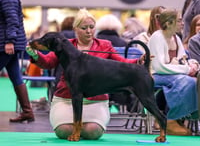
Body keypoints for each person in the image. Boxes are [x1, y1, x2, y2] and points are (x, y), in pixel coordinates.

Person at [26, 8, 144, 140]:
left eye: (91, 27)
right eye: (84, 28)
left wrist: (138, 61)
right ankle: (75, 128)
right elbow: (48, 62)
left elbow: (122, 63)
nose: (89, 31)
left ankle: (80, 128)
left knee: (92, 132)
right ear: (75, 29)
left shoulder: (105, 45)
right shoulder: (65, 45)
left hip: (96, 99)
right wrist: (34, 54)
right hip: (66, 98)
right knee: (64, 131)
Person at [149, 9, 199, 136]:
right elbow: (159, 67)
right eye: (179, 20)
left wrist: (192, 64)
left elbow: (182, 60)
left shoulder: (176, 38)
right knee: (186, 81)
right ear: (169, 23)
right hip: (155, 75)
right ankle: (171, 119)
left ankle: (181, 118)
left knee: (195, 81)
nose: (183, 23)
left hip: (170, 74)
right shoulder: (157, 37)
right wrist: (186, 69)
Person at [0, 0, 34, 122]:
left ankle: (27, 111)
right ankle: (27, 112)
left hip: (6, 44)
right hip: (7, 43)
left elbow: (12, 19)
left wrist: (10, 40)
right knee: (16, 77)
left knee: (16, 77)